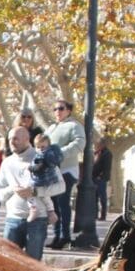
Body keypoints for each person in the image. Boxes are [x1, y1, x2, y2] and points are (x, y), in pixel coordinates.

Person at [0, 126, 55, 260]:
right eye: (10, 139)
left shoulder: (42, 159)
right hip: (12, 220)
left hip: (37, 220)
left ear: (27, 139)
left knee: (32, 266)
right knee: (8, 265)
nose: (12, 142)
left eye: (16, 138)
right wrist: (12, 189)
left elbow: (59, 186)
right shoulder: (7, 163)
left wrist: (35, 191)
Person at [45, 99, 85, 249]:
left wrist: (60, 153)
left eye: (61, 108)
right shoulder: (51, 128)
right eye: (55, 109)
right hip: (51, 172)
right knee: (54, 205)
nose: (57, 112)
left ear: (68, 110)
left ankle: (65, 236)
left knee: (63, 203)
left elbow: (79, 143)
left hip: (67, 170)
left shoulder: (74, 126)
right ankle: (57, 236)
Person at [93, 137, 113, 220]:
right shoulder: (96, 153)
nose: (97, 146)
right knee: (94, 197)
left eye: (99, 144)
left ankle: (103, 215)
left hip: (101, 178)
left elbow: (106, 167)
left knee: (102, 197)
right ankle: (95, 214)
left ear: (103, 144)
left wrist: (101, 176)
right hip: (94, 177)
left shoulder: (107, 154)